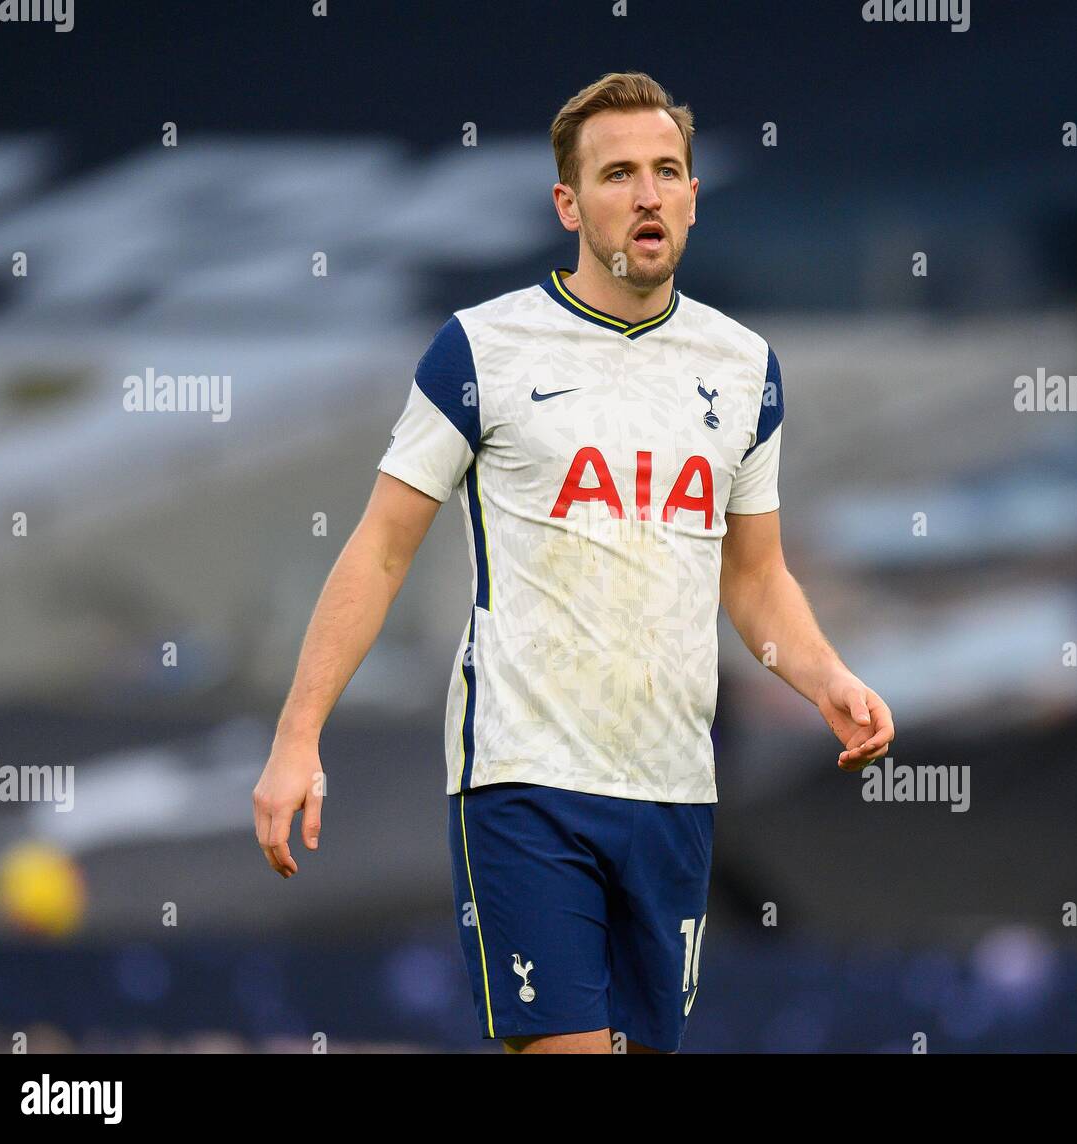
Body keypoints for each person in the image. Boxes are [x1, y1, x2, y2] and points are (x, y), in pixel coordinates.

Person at [252, 71, 894, 1054]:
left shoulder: (743, 366)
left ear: (689, 195)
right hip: (524, 778)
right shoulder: (481, 348)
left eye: (667, 171)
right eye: (619, 173)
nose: (647, 194)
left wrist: (825, 675)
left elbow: (754, 577)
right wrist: (299, 735)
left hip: (675, 787)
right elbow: (381, 549)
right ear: (568, 202)